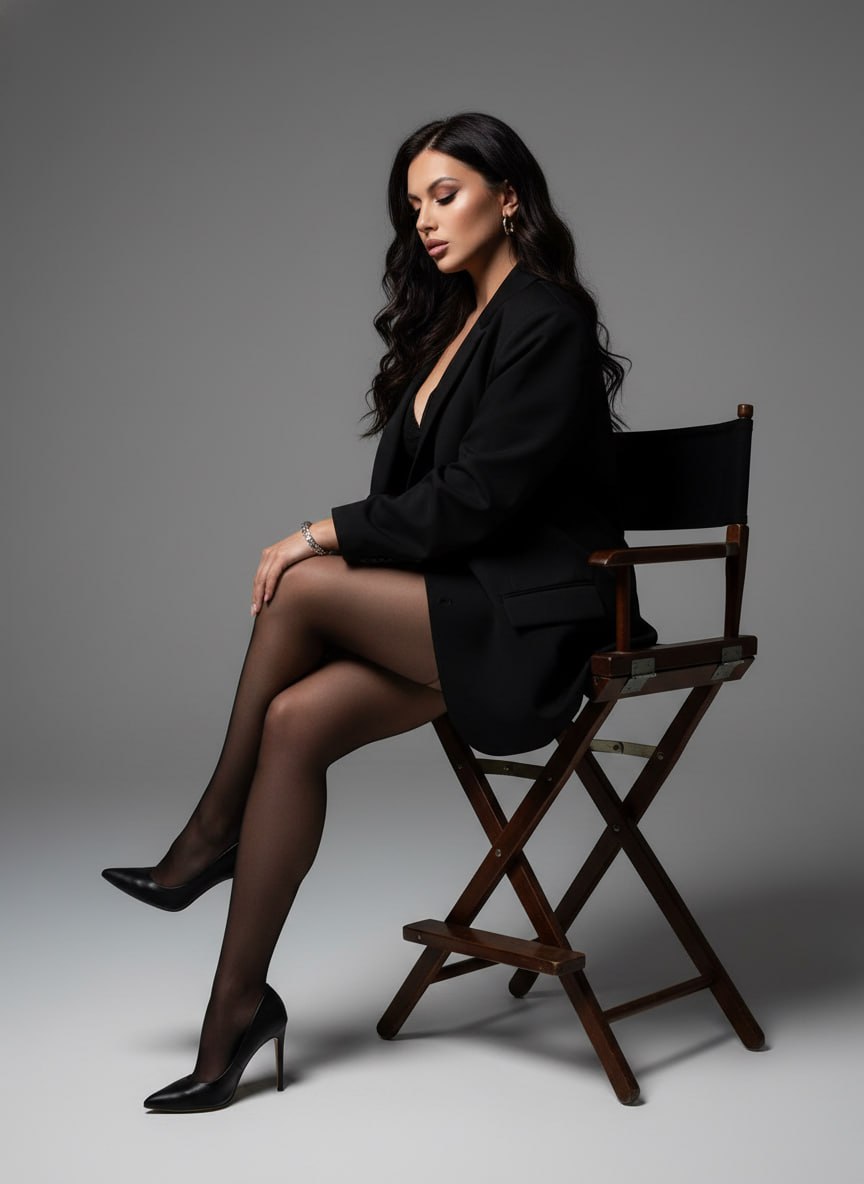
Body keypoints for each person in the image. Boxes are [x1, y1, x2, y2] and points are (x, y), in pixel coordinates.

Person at [102, 111, 655, 1112]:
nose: (426, 221)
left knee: (304, 579)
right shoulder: (452, 327)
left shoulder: (548, 319)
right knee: (291, 720)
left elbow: (479, 498)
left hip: (540, 621)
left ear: (508, 198)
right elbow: (419, 499)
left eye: (446, 195)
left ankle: (211, 833)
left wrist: (318, 532)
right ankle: (234, 1014)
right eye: (414, 206)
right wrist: (348, 533)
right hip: (463, 606)